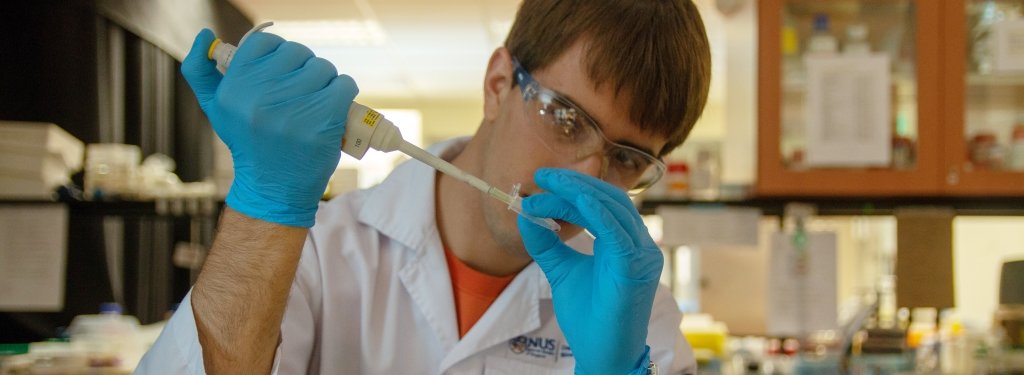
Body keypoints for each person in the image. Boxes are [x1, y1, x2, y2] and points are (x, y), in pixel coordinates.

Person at [138, 0, 710, 373]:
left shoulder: (636, 316)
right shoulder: (318, 252)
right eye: (565, 119)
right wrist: (262, 208)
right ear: (497, 84)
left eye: (628, 159)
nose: (588, 177)